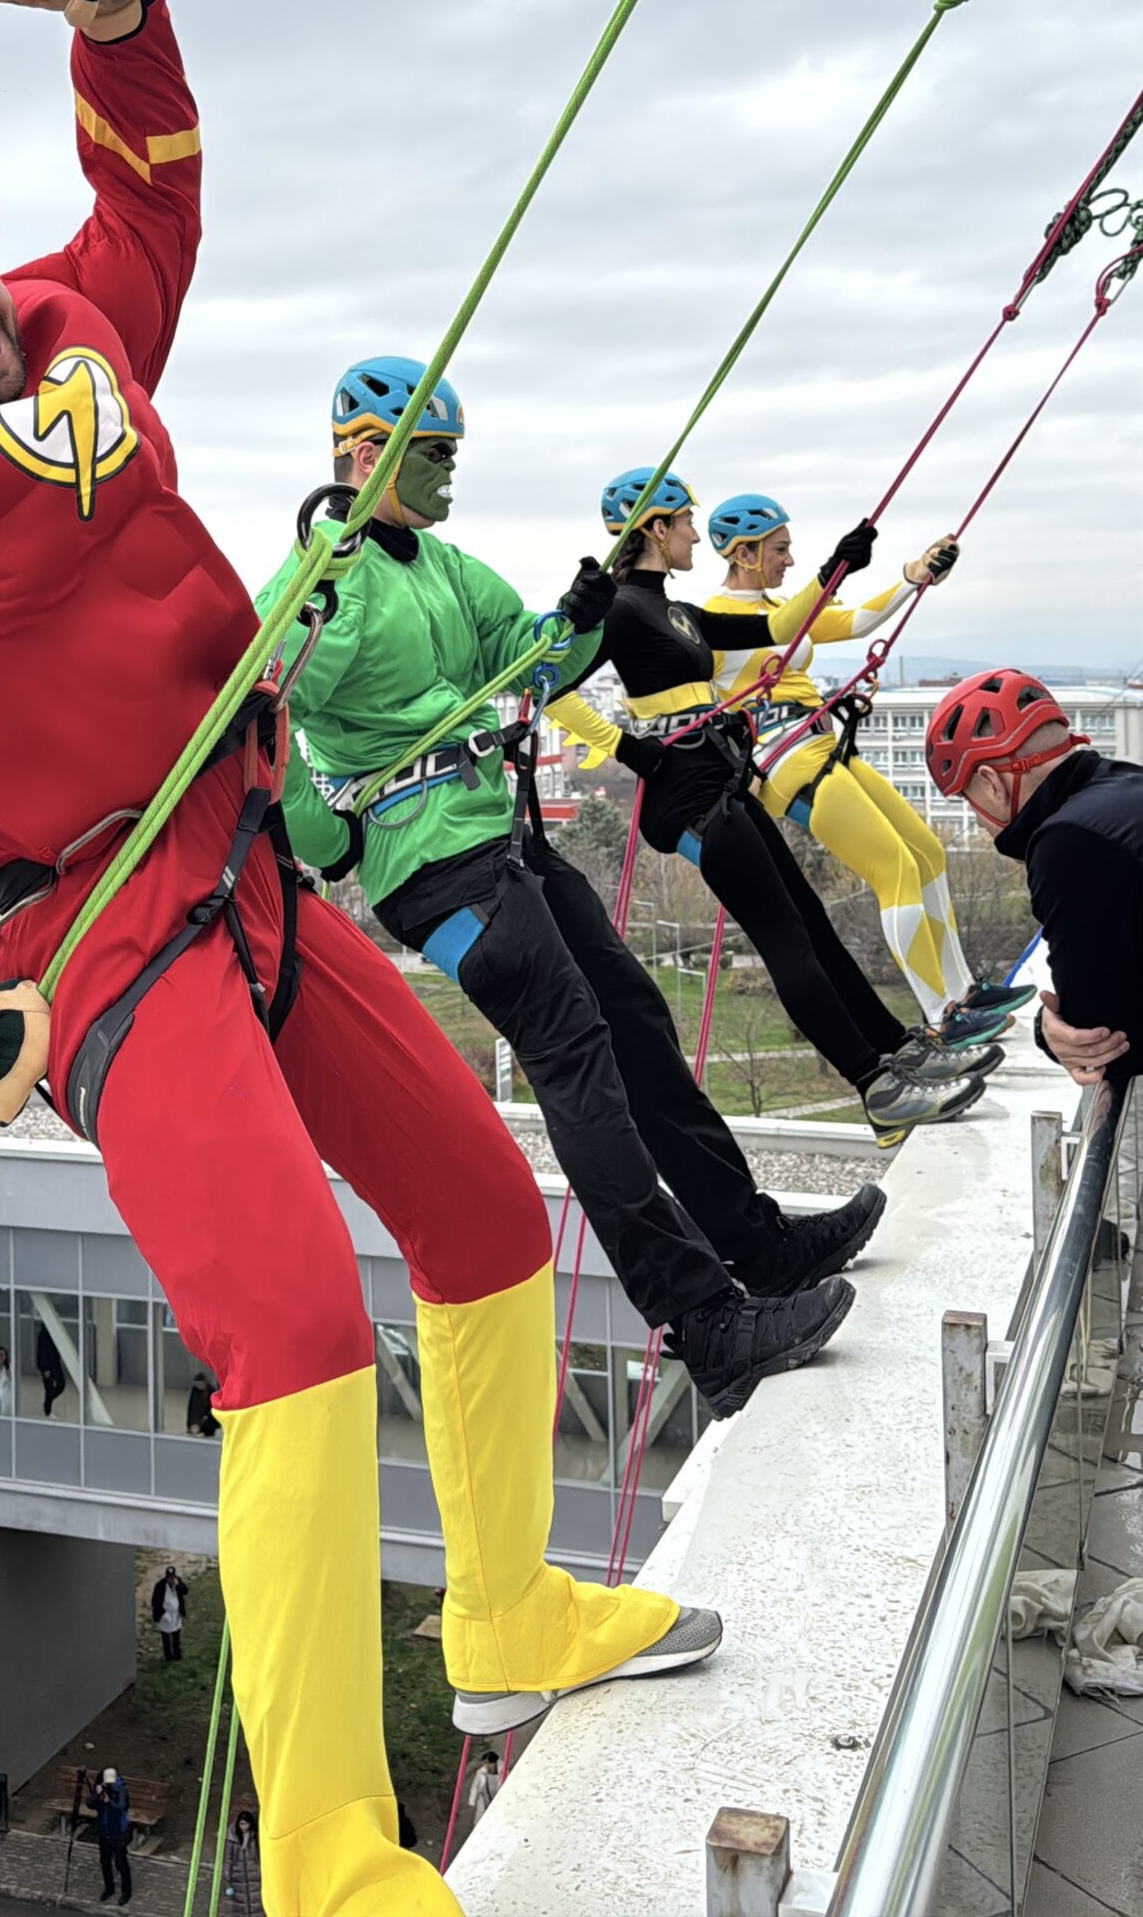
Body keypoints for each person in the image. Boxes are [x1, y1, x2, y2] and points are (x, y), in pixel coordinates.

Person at [0, 0, 712, 1917]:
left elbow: (147, 210)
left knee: (485, 1213)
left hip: (241, 860)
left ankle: (507, 1613)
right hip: (91, 927)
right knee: (297, 1329)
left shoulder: (66, 340)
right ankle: (331, 1852)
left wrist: (125, 31)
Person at [259, 356, 881, 1424]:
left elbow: (531, 664)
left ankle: (756, 1244)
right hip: (430, 865)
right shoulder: (322, 585)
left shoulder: (445, 569)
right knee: (576, 1054)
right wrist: (335, 841)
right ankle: (705, 1321)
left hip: (499, 835)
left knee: (632, 1019)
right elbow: (261, 709)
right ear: (365, 455)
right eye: (434, 454)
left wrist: (579, 618)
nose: (451, 474)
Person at [549, 470, 994, 1152]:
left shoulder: (676, 611)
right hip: (686, 796)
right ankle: (877, 1088)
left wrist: (835, 570)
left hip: (717, 779)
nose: (694, 534)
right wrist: (627, 749)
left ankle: (896, 1049)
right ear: (656, 529)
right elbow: (549, 684)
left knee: (810, 921)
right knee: (784, 934)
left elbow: (782, 625)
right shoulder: (621, 609)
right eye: (685, 523)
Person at [705, 492, 1034, 1045]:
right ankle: (942, 1014)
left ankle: (963, 992)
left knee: (926, 853)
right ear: (744, 554)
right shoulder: (716, 621)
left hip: (821, 742)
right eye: (779, 549)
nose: (788, 560)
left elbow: (855, 622)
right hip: (788, 759)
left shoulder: (775, 608)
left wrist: (913, 575)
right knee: (893, 869)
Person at [925, 670, 1142, 1087]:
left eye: (968, 800)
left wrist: (1045, 1029)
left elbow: (1099, 1040)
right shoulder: (1127, 787)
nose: (978, 819)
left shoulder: (1069, 843)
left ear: (990, 783)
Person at [91, 1769, 131, 1906]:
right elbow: (90, 1804)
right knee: (105, 1861)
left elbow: (121, 1809)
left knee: (121, 1861)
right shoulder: (102, 1788)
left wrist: (109, 1802)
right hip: (104, 1831)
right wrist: (97, 1795)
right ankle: (109, 1888)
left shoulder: (121, 1790)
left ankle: (126, 1891)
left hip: (118, 1831)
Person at [221, 1807, 264, 1911]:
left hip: (255, 1876)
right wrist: (227, 1875)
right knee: (241, 1906)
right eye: (241, 1824)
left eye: (245, 1824)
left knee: (257, 1905)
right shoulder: (232, 1837)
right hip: (238, 1876)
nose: (243, 1827)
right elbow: (227, 1858)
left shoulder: (256, 1837)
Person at [151, 1564, 187, 1661]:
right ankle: (168, 1655)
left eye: (172, 1577)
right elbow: (155, 1602)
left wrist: (178, 1585)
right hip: (165, 1614)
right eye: (169, 1578)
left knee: (176, 1634)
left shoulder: (178, 1581)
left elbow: (185, 1591)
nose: (171, 1579)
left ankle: (177, 1653)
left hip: (176, 1614)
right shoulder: (160, 1586)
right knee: (166, 1636)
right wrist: (162, 1614)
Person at [35, 1324, 67, 1419]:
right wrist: (44, 1368)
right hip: (47, 1367)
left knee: (60, 1385)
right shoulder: (43, 1336)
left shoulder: (53, 1333)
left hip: (55, 1364)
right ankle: (47, 1411)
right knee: (49, 1389)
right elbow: (42, 1352)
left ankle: (47, 1403)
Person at [466, 1751, 501, 1830]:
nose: (485, 1766)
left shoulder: (502, 1772)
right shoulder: (481, 1772)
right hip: (483, 1797)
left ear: (493, 1763)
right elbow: (475, 1786)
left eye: (487, 1763)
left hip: (497, 1800)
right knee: (479, 1819)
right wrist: (472, 1801)